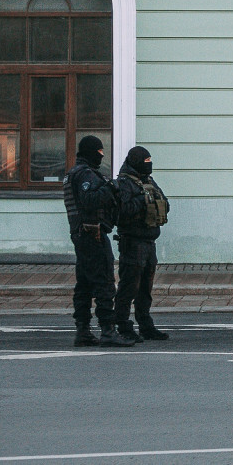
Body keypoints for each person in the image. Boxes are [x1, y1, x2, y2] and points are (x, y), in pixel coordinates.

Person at [62, 135, 134, 348]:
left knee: (84, 284)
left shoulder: (72, 174)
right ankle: (107, 330)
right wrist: (110, 187)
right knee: (104, 282)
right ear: (90, 153)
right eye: (99, 153)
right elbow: (90, 201)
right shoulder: (85, 175)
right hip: (92, 234)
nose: (100, 157)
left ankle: (83, 331)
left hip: (81, 235)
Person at [112, 146, 170, 343]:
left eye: (150, 161)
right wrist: (144, 200)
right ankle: (123, 325)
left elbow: (165, 203)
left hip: (149, 241)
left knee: (145, 288)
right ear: (136, 162)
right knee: (129, 287)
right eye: (145, 161)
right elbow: (124, 210)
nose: (149, 165)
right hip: (132, 242)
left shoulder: (148, 181)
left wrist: (152, 198)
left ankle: (145, 325)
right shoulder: (124, 183)